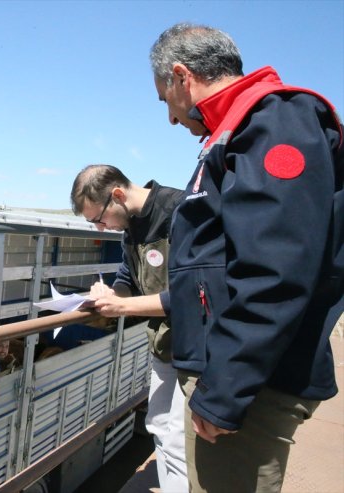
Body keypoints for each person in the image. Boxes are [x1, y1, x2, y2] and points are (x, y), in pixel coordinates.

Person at [149, 22, 343, 492]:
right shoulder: (237, 128)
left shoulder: (275, 119)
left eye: (166, 100)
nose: (172, 119)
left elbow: (276, 272)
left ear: (181, 76)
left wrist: (224, 392)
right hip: (239, 370)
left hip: (252, 383)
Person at [71, 164, 188, 492]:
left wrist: (123, 306)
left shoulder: (181, 212)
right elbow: (128, 279)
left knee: (179, 437)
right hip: (165, 345)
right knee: (161, 427)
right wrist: (111, 294)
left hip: (197, 350)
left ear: (118, 196)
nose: (101, 228)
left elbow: (191, 294)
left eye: (99, 219)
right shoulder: (131, 227)